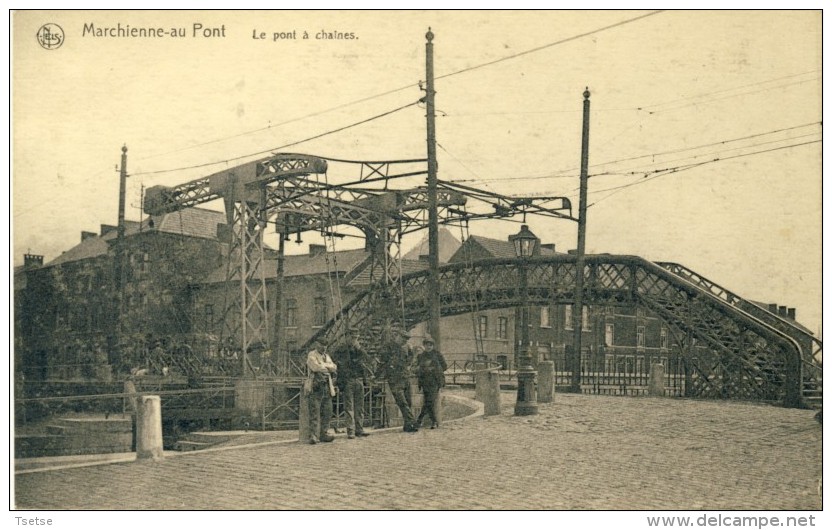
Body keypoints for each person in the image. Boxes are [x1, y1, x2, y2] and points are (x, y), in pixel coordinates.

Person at [331, 330, 372, 439]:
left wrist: (359, 349)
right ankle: (351, 431)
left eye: (356, 338)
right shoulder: (340, 349)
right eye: (353, 338)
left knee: (360, 407)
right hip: (347, 380)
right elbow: (333, 361)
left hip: (358, 379)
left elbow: (367, 359)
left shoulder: (358, 349)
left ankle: (359, 429)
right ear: (347, 336)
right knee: (349, 407)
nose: (354, 340)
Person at [379, 326, 418, 432]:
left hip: (404, 378)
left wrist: (410, 353)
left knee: (408, 402)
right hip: (394, 379)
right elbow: (383, 362)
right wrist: (378, 375)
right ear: (397, 336)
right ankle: (413, 423)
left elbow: (408, 361)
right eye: (403, 338)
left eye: (406, 340)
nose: (404, 341)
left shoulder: (403, 349)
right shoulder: (388, 347)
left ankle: (407, 425)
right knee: (402, 402)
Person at [306, 339, 338, 444]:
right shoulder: (312, 355)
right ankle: (314, 435)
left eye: (325, 346)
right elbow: (315, 367)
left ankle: (324, 433)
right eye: (322, 345)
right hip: (316, 386)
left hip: (326, 387)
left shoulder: (327, 356)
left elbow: (334, 367)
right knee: (315, 411)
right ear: (316, 345)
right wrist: (327, 367)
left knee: (327, 412)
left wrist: (324, 367)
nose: (324, 348)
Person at [415, 335, 448, 429]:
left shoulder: (437, 354)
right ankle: (432, 421)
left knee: (429, 401)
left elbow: (444, 366)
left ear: (433, 346)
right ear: (424, 346)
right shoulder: (421, 356)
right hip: (425, 381)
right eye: (426, 345)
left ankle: (421, 420)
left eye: (430, 345)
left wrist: (434, 369)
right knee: (428, 402)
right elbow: (418, 368)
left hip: (434, 381)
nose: (428, 347)